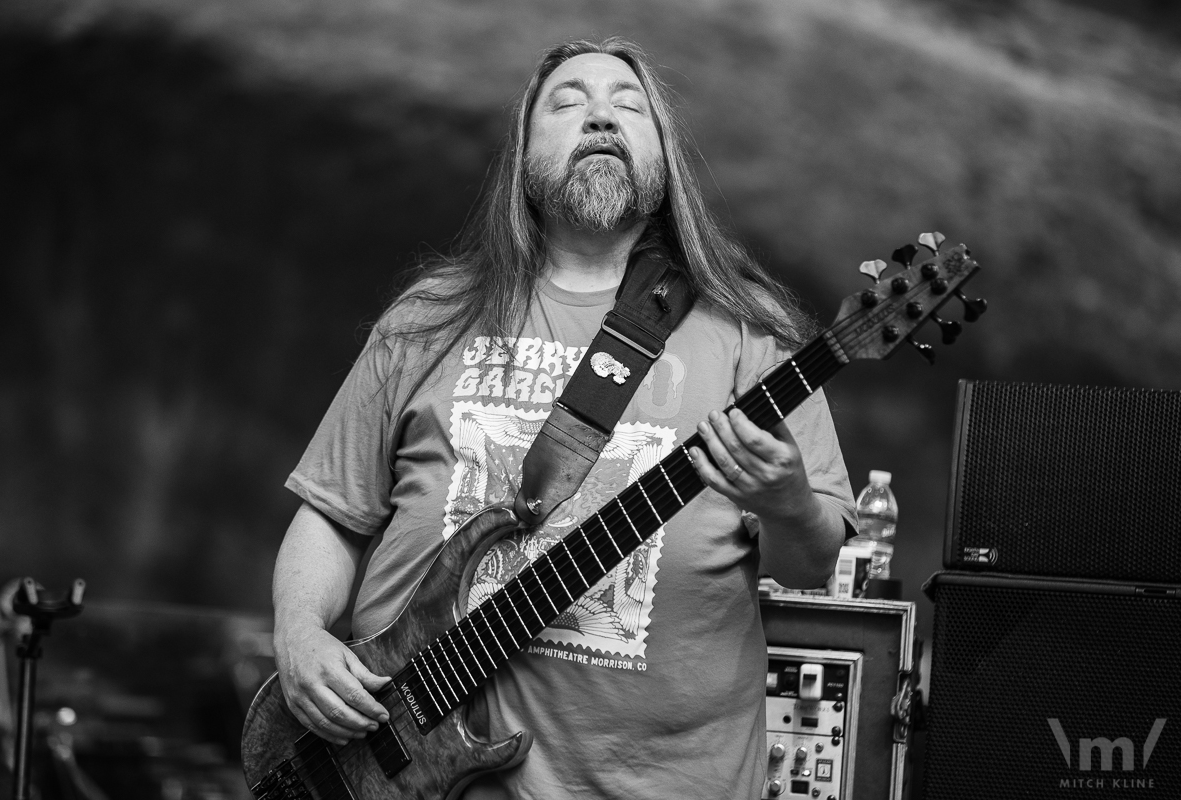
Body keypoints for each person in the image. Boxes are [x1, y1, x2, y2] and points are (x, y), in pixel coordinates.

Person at [271, 36, 855, 799]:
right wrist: (300, 636)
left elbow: (808, 563)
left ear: (665, 156)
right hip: (398, 766)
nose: (602, 117)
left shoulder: (753, 330)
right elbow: (332, 513)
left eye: (629, 106)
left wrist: (787, 502)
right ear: (523, 154)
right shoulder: (429, 318)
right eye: (568, 102)